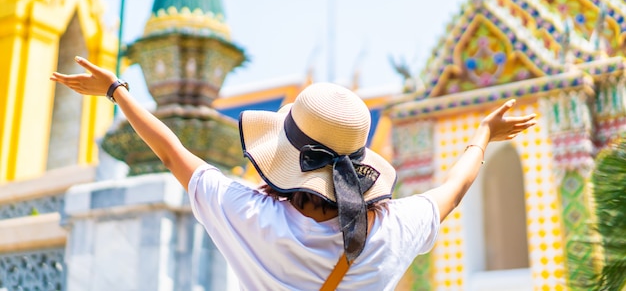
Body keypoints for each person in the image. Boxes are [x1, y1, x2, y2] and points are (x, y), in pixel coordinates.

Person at [51, 56, 536, 290]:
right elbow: (453, 189)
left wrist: (117, 90)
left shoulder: (252, 216)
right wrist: (484, 134)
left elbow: (172, 151)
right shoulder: (393, 230)